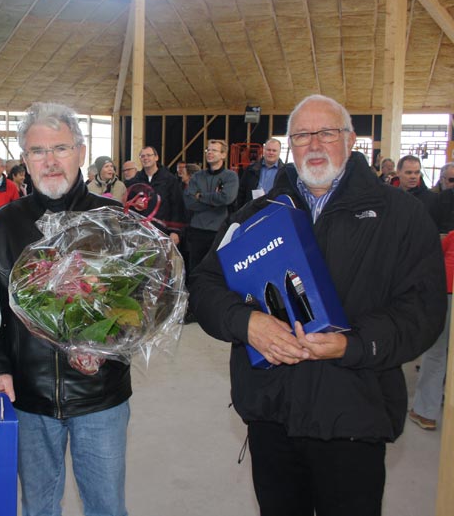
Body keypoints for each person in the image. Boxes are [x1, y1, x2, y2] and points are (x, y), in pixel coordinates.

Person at [189, 94, 446, 516]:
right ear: (290, 145)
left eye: (326, 132)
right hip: (272, 413)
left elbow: (423, 310)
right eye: (302, 135)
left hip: (353, 414)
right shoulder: (256, 213)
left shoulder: (401, 215)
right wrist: (246, 323)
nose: (313, 144)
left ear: (350, 140)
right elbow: (204, 285)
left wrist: (355, 344)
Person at [0, 102, 131, 516]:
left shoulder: (115, 220)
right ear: (24, 160)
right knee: (38, 507)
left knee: (107, 506)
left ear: (81, 151)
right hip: (28, 398)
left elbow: (141, 303)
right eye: (38, 152)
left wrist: (109, 340)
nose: (51, 161)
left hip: (101, 397)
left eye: (60, 148)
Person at [409, 230, 454, 430]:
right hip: (446, 291)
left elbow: (434, 259)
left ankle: (425, 412)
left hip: (446, 293)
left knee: (436, 354)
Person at [184, 139, 238, 270]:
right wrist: (215, 201)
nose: (209, 153)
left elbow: (227, 198)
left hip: (218, 231)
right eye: (208, 150)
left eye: (214, 150)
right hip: (197, 231)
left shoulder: (230, 176)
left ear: (223, 155)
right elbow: (189, 202)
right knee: (195, 269)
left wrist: (201, 196)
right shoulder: (197, 176)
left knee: (216, 269)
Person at [129, 146, 186, 246]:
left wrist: (175, 231)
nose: (145, 158)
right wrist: (135, 204)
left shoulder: (169, 179)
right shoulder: (135, 181)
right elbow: (129, 204)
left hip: (163, 231)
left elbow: (177, 206)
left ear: (156, 157)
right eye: (142, 156)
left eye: (149, 155)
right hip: (141, 232)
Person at [237, 138, 284, 208]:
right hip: (251, 209)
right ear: (264, 150)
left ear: (279, 152)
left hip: (274, 210)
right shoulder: (250, 170)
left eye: (274, 151)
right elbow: (241, 192)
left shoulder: (285, 173)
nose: (271, 153)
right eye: (268, 150)